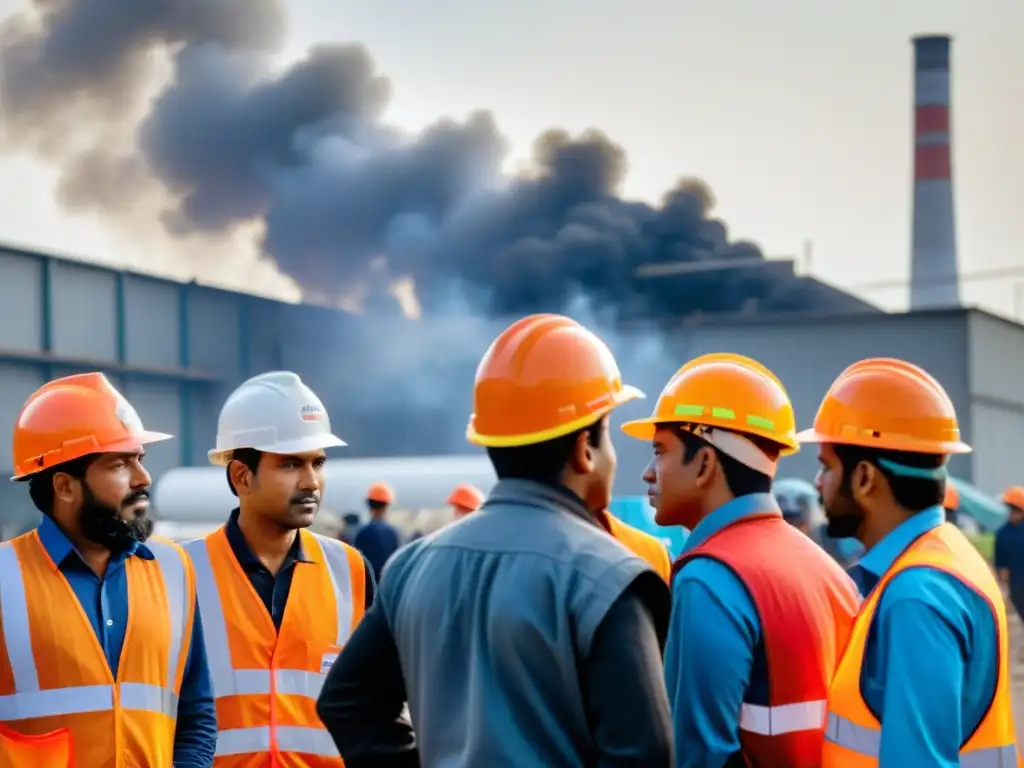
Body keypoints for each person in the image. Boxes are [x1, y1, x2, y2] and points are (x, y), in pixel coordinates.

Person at [317, 313, 674, 767]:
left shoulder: (410, 568)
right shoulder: (608, 577)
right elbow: (644, 753)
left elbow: (348, 702)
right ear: (585, 448)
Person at [621, 352, 860, 768]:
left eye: (660, 451)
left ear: (706, 464)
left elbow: (699, 756)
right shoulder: (829, 573)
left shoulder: (710, 578)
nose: (647, 472)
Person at [799, 357, 1018, 765]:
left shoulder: (915, 596)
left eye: (825, 466)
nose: (817, 484)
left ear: (864, 478)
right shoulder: (947, 555)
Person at [0, 372, 216, 766]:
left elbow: (196, 713)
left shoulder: (174, 569)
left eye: (140, 459)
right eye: (120, 464)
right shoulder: (4, 578)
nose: (143, 478)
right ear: (65, 486)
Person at [182, 371, 374, 766]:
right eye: (290, 464)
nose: (311, 482)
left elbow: (378, 702)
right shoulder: (181, 573)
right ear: (241, 476)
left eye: (318, 462)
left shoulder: (350, 570)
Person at [352, 481, 402, 581]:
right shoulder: (395, 533)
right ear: (387, 505)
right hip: (389, 587)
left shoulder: (363, 533)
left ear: (369, 504)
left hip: (367, 589)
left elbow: (355, 565)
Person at [995, 486, 1024, 622]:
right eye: (1011, 510)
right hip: (1017, 586)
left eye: (1016, 511)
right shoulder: (1003, 533)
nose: (1013, 514)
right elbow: (1001, 564)